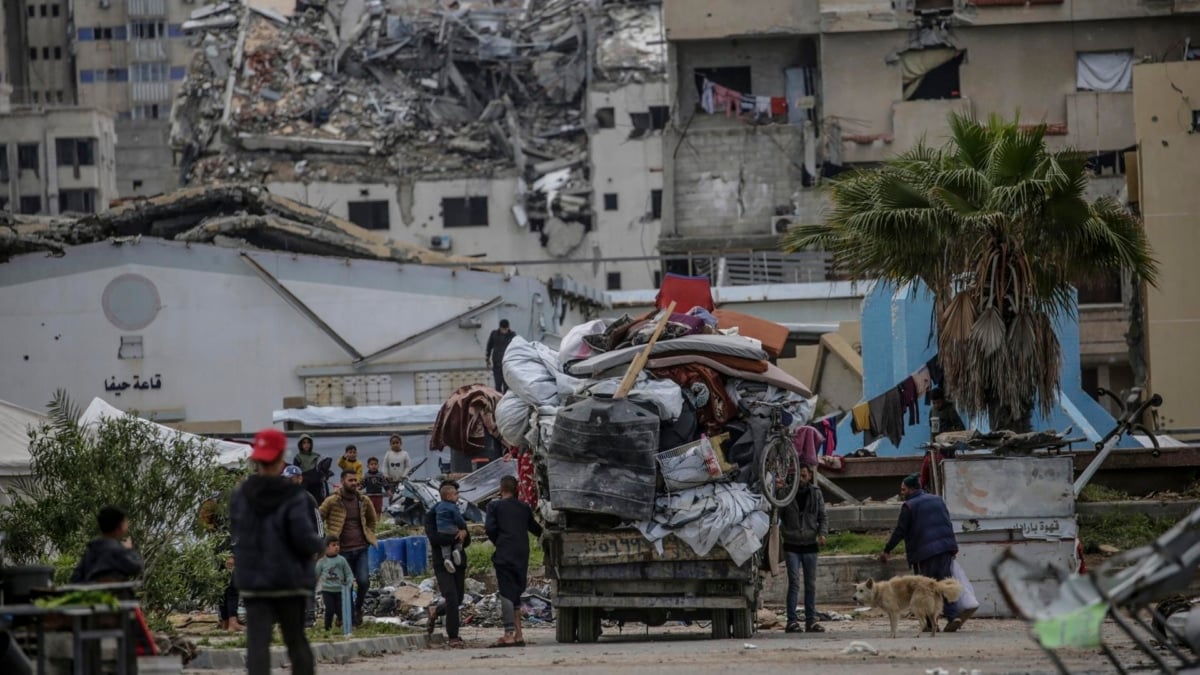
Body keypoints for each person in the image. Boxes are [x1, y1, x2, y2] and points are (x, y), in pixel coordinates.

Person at [230, 428, 325, 675]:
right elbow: (303, 537)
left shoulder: (240, 495)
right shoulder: (293, 496)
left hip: (254, 583)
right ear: (282, 456)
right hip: (289, 581)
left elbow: (237, 533)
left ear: (256, 458)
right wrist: (319, 546)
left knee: (258, 644)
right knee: (295, 640)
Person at [879, 474, 964, 632]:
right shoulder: (938, 500)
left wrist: (887, 550)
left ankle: (931, 624)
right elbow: (947, 522)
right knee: (944, 583)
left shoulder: (909, 506)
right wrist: (952, 546)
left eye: (903, 489)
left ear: (911, 489)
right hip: (945, 548)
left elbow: (900, 531)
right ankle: (953, 616)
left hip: (924, 552)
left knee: (927, 588)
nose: (902, 492)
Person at [485, 475, 543, 647]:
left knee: (506, 593)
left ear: (501, 489)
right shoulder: (524, 507)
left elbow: (489, 528)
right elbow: (535, 528)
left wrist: (499, 541)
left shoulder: (494, 506)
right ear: (516, 489)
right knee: (516, 593)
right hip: (522, 554)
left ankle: (508, 634)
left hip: (505, 553)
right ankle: (519, 634)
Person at [319, 470, 378, 626]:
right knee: (346, 584)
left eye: (356, 481)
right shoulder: (332, 501)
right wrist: (326, 540)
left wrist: (369, 534)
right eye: (350, 480)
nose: (354, 483)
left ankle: (358, 608)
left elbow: (372, 520)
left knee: (364, 581)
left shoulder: (363, 500)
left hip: (361, 548)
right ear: (343, 481)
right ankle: (347, 616)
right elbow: (319, 518)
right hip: (341, 550)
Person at [780, 465, 828, 634]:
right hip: (791, 543)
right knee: (794, 583)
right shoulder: (785, 493)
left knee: (811, 584)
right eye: (799, 475)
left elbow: (822, 516)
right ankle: (791, 621)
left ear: (809, 477)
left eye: (805, 475)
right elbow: (777, 514)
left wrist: (822, 534)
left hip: (810, 544)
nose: (801, 478)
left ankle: (810, 621)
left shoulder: (815, 493)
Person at [425, 481, 470, 648]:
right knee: (451, 596)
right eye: (454, 494)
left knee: (457, 599)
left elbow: (467, 538)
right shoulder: (433, 514)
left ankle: (435, 611)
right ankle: (453, 636)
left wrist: (463, 535)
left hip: (458, 562)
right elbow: (435, 539)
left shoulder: (456, 511)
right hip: (442, 562)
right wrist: (456, 537)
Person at [284, 464, 324, 627]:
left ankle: (309, 616)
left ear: (300, 479)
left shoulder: (308, 498)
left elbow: (318, 523)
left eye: (293, 479)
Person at [71, 506, 143, 583]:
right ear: (120, 527)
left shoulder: (91, 549)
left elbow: (76, 578)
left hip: (93, 594)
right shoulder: (117, 549)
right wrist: (128, 549)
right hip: (116, 594)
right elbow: (136, 567)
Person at [314, 536, 354, 632]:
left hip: (340, 590)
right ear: (326, 548)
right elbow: (315, 575)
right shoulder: (322, 562)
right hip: (327, 590)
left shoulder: (341, 560)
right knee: (330, 610)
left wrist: (349, 583)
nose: (337, 547)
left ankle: (340, 620)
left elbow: (348, 574)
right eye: (333, 545)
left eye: (338, 545)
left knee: (341, 611)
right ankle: (327, 628)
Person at [430, 483, 467, 573]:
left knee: (445, 546)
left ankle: (447, 559)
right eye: (455, 494)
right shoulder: (453, 507)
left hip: (441, 531)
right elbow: (458, 519)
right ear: (448, 497)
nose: (457, 496)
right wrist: (462, 527)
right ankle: (457, 550)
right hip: (452, 530)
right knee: (459, 538)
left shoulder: (438, 506)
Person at [485, 319, 517, 393]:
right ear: (500, 328)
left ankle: (506, 402)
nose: (504, 331)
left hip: (508, 364)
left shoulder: (512, 335)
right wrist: (487, 359)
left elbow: (516, 348)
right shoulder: (494, 334)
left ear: (508, 328)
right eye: (503, 329)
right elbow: (489, 346)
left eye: (506, 329)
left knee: (507, 386)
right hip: (497, 363)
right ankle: (499, 401)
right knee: (498, 385)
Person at [293, 434, 324, 504]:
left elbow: (322, 469)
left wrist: (323, 476)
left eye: (308, 442)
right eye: (304, 442)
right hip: (305, 486)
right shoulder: (298, 457)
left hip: (317, 485)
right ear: (300, 445)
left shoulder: (316, 456)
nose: (306, 444)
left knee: (318, 505)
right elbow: (296, 473)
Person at [383, 434, 411, 500]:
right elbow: (385, 466)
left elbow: (408, 466)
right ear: (390, 444)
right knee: (392, 498)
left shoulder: (405, 454)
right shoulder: (388, 454)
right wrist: (386, 475)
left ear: (400, 443)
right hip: (391, 482)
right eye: (393, 443)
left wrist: (404, 476)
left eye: (397, 443)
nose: (395, 444)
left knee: (403, 499)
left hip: (402, 482)